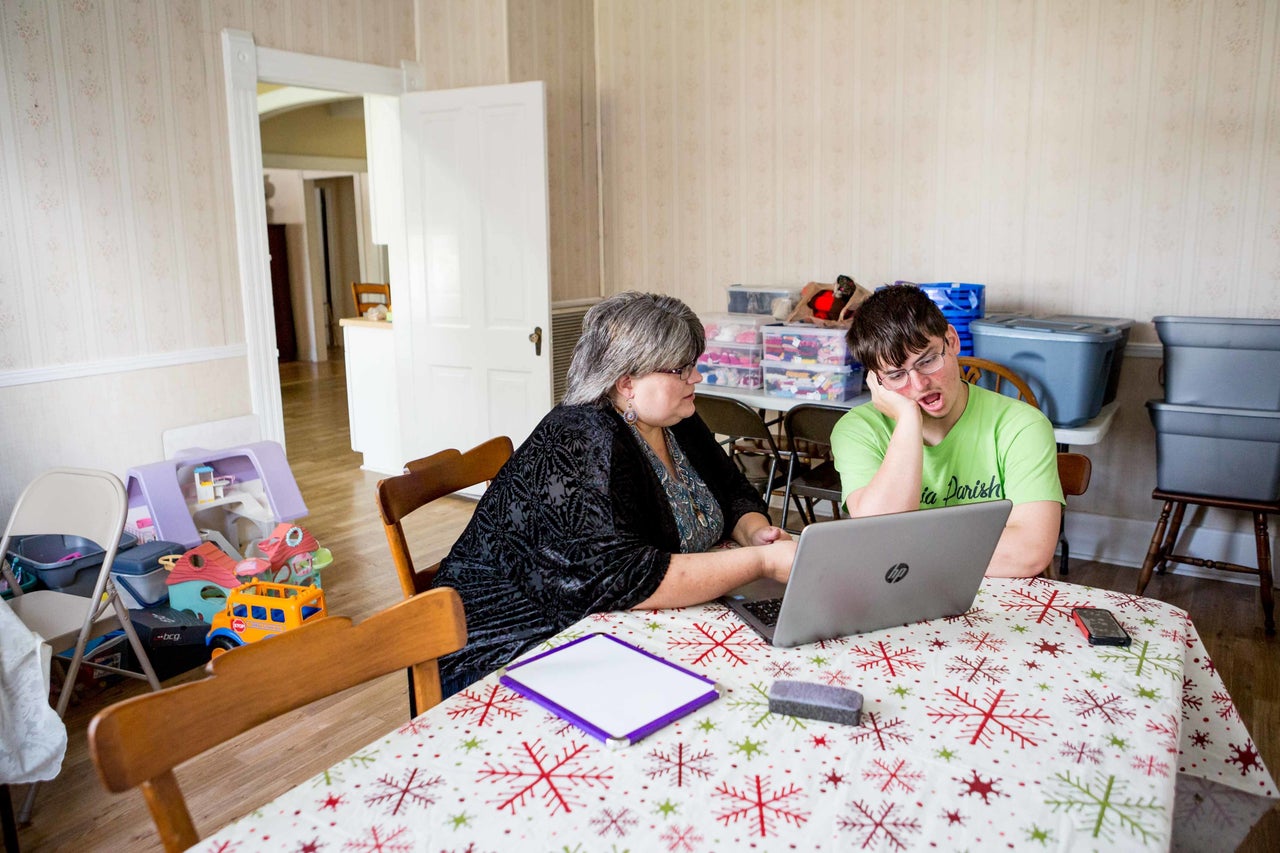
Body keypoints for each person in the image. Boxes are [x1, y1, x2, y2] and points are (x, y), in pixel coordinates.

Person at [431, 292, 797, 694]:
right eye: (682, 369)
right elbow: (625, 578)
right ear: (627, 383)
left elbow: (732, 489)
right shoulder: (582, 442)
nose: (696, 377)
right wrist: (759, 561)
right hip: (514, 647)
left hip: (612, 622)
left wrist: (753, 531)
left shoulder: (676, 417)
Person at [830, 284, 1063, 577]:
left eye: (927, 360)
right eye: (896, 375)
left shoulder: (1022, 425)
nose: (918, 385)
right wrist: (907, 419)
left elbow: (1029, 553)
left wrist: (907, 547)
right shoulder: (856, 430)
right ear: (876, 381)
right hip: (899, 590)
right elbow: (881, 535)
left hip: (993, 594)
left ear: (951, 341)